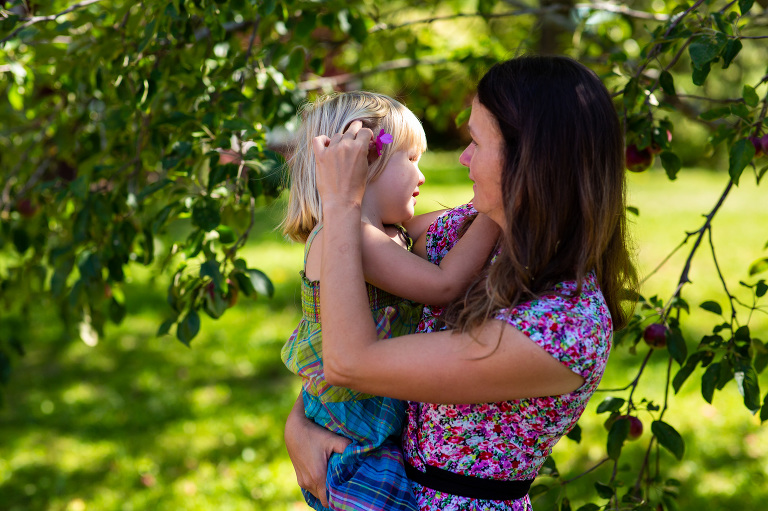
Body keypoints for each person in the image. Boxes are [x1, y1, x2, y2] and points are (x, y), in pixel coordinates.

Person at [285, 55, 638, 511]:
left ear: (527, 159)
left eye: (475, 142)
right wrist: (300, 422)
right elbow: (337, 312)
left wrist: (340, 203)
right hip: (378, 473)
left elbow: (351, 362)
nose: (463, 157)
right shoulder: (467, 233)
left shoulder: (565, 327)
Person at [280, 91, 500, 511]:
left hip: (376, 426)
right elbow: (444, 284)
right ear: (365, 162)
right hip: (352, 444)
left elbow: (453, 224)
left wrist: (483, 201)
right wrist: (496, 211)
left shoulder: (386, 230)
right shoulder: (346, 237)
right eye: (411, 159)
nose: (422, 176)